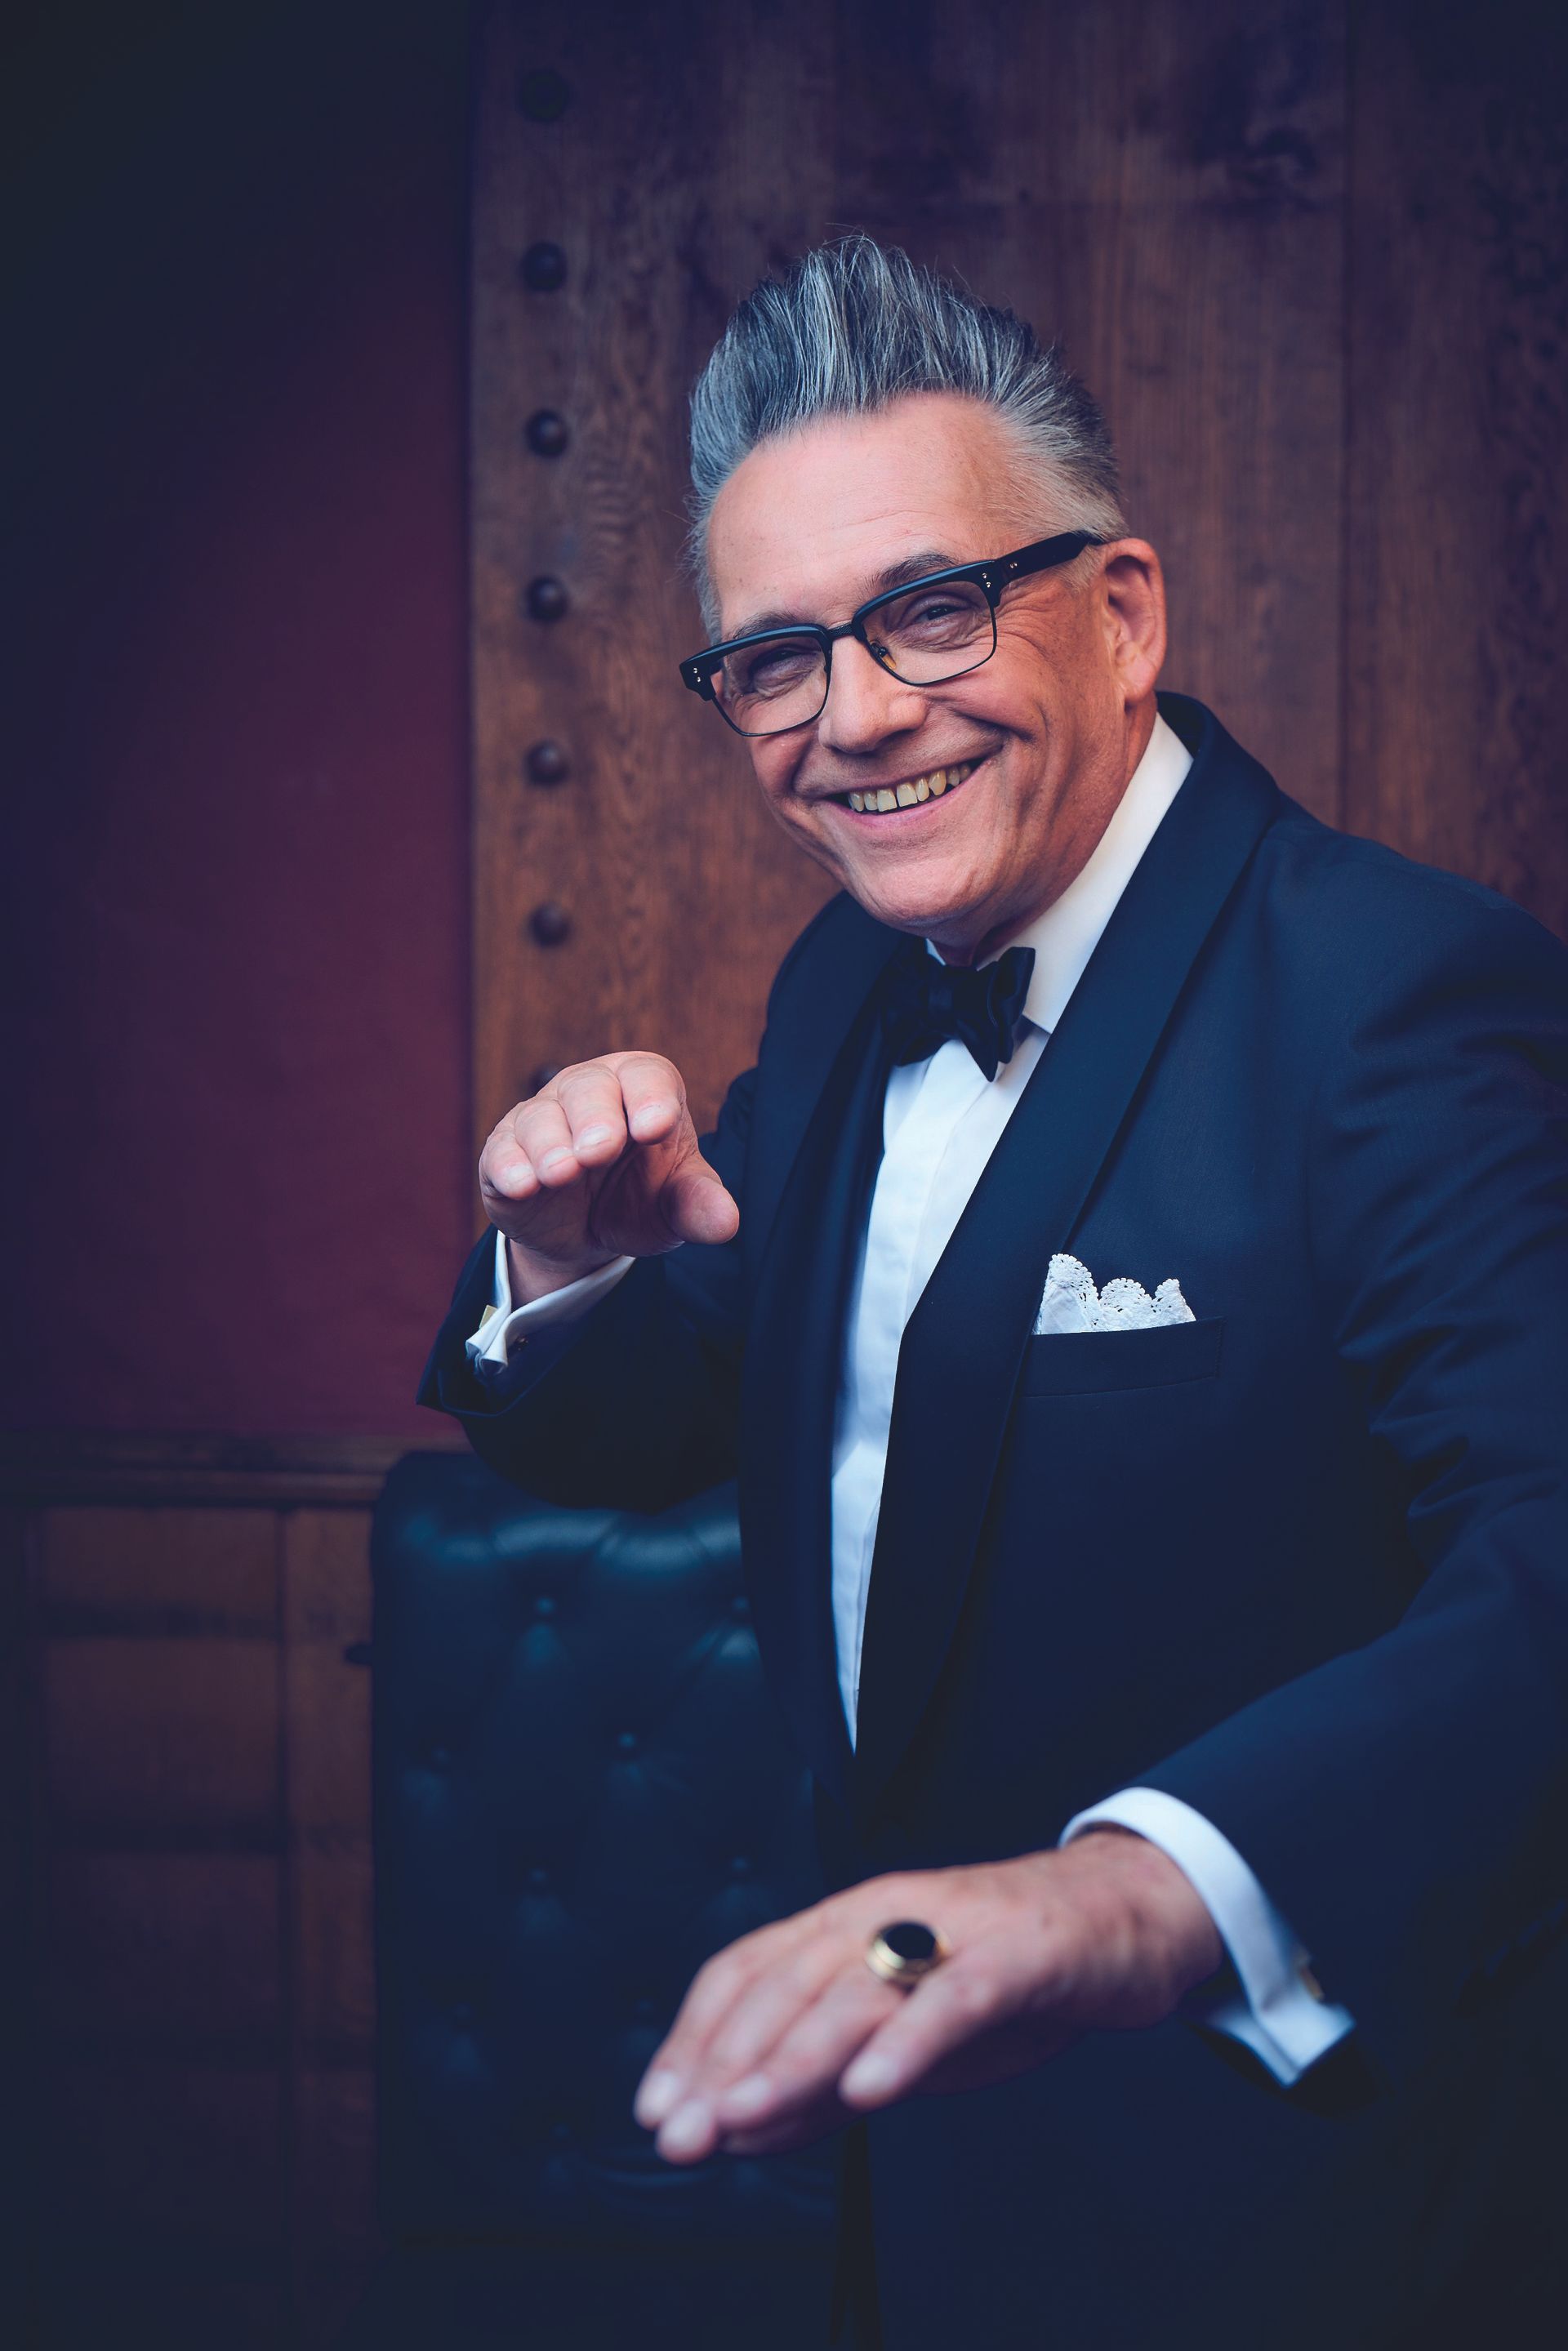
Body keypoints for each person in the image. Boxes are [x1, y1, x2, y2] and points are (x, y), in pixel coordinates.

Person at [419, 236, 1568, 2348]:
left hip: (1313, 2200)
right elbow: (670, 1406)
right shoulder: (847, 981)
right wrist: (561, 1265)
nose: (855, 717)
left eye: (932, 608)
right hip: (909, 2173)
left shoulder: (1394, 994)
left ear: (1121, 613)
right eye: (776, 658)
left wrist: (1126, 1894)